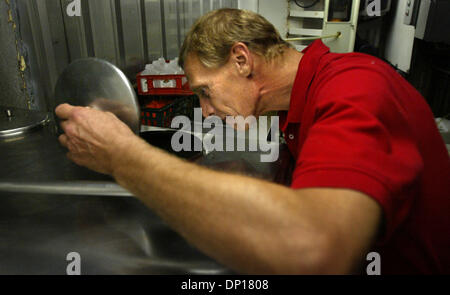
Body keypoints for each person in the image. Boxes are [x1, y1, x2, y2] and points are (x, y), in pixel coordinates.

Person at [55, 8, 450, 274]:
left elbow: (316, 247)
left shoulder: (354, 89)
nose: (205, 111)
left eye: (205, 91)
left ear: (242, 60)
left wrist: (122, 156)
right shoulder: (300, 106)